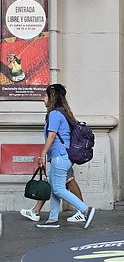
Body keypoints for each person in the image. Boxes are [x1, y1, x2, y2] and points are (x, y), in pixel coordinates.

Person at [36, 83, 95, 228]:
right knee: (54, 186)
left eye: (45, 95)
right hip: (65, 157)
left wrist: (42, 154)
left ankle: (85, 210)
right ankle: (52, 219)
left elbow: (51, 136)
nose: (43, 99)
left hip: (59, 156)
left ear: (52, 97)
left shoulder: (55, 114)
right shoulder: (64, 113)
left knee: (57, 189)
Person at [20, 166, 86, 223]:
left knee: (68, 180)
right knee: (55, 180)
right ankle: (35, 211)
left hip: (60, 157)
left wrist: (42, 156)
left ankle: (83, 211)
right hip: (58, 158)